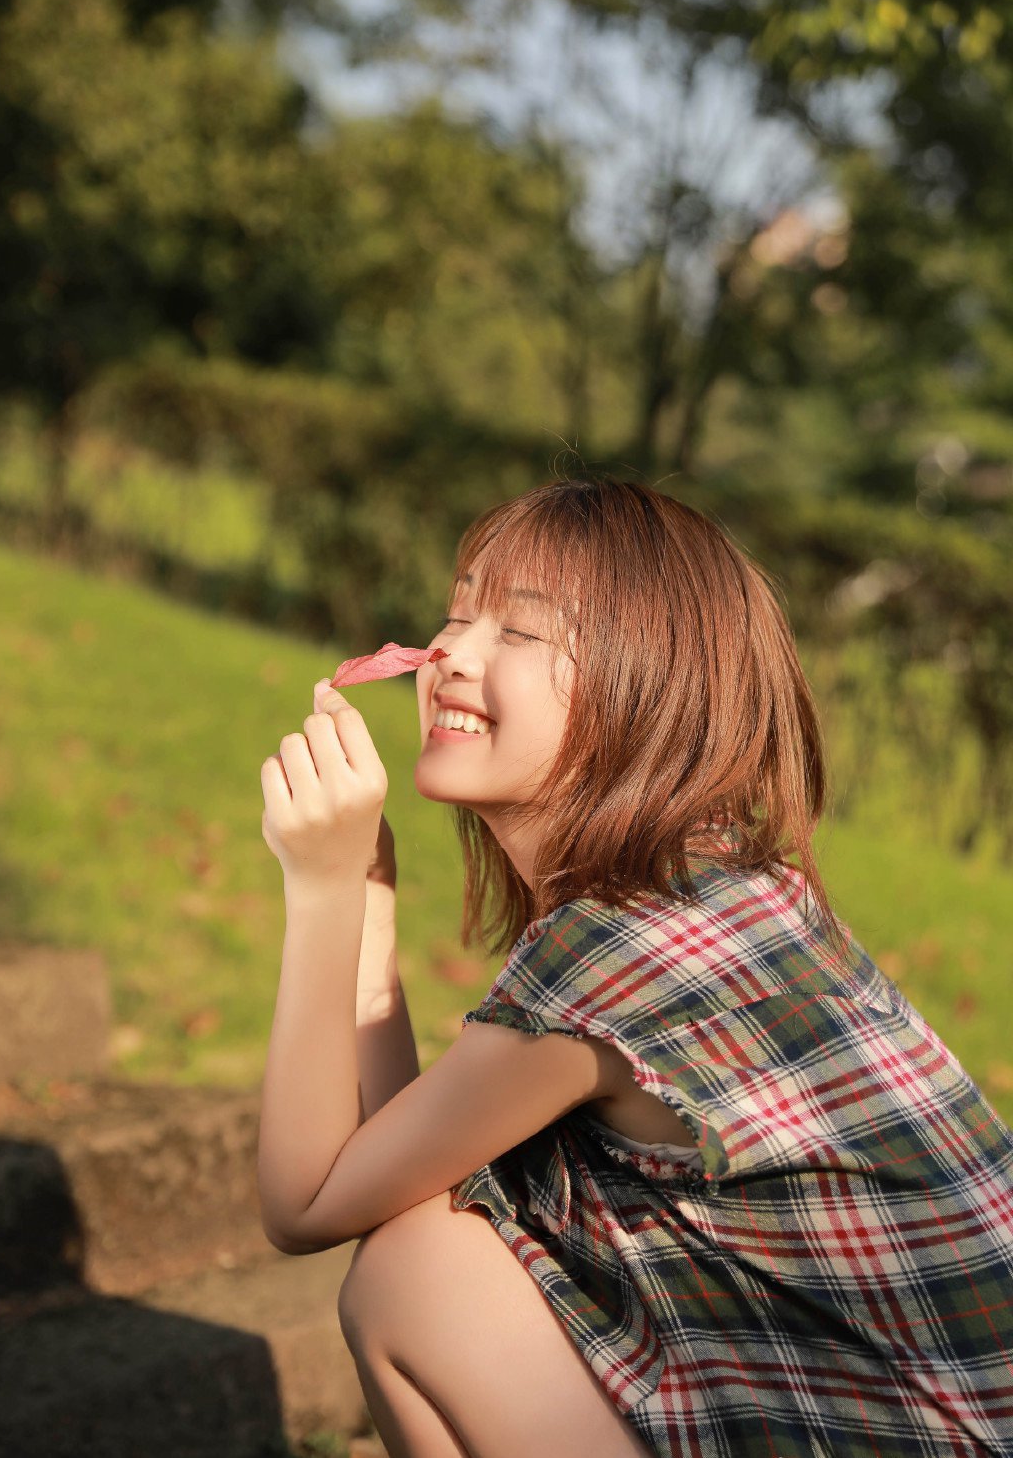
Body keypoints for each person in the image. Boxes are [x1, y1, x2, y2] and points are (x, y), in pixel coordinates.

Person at [257, 476, 1013, 1458]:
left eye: (518, 632)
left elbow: (307, 1200)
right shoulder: (713, 882)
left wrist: (319, 893)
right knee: (429, 1251)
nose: (446, 653)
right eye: (456, 612)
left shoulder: (627, 940)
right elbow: (398, 1169)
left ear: (644, 684)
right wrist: (365, 892)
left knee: (416, 1279)